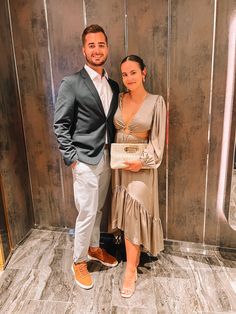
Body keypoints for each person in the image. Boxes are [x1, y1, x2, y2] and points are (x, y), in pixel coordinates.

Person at [54, 24, 119, 290]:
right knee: (87, 212)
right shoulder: (71, 83)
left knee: (99, 210)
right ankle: (79, 261)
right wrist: (72, 158)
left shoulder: (112, 84)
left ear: (107, 48)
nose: (96, 50)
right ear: (84, 49)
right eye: (91, 45)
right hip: (84, 159)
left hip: (106, 157)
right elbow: (60, 124)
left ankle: (93, 248)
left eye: (101, 45)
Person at [111, 55, 166, 298]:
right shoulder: (119, 99)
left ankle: (131, 271)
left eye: (133, 72)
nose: (128, 78)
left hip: (141, 168)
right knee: (126, 211)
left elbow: (159, 143)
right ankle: (130, 258)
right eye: (124, 74)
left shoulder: (156, 102)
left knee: (135, 213)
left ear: (144, 72)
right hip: (120, 167)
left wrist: (141, 162)